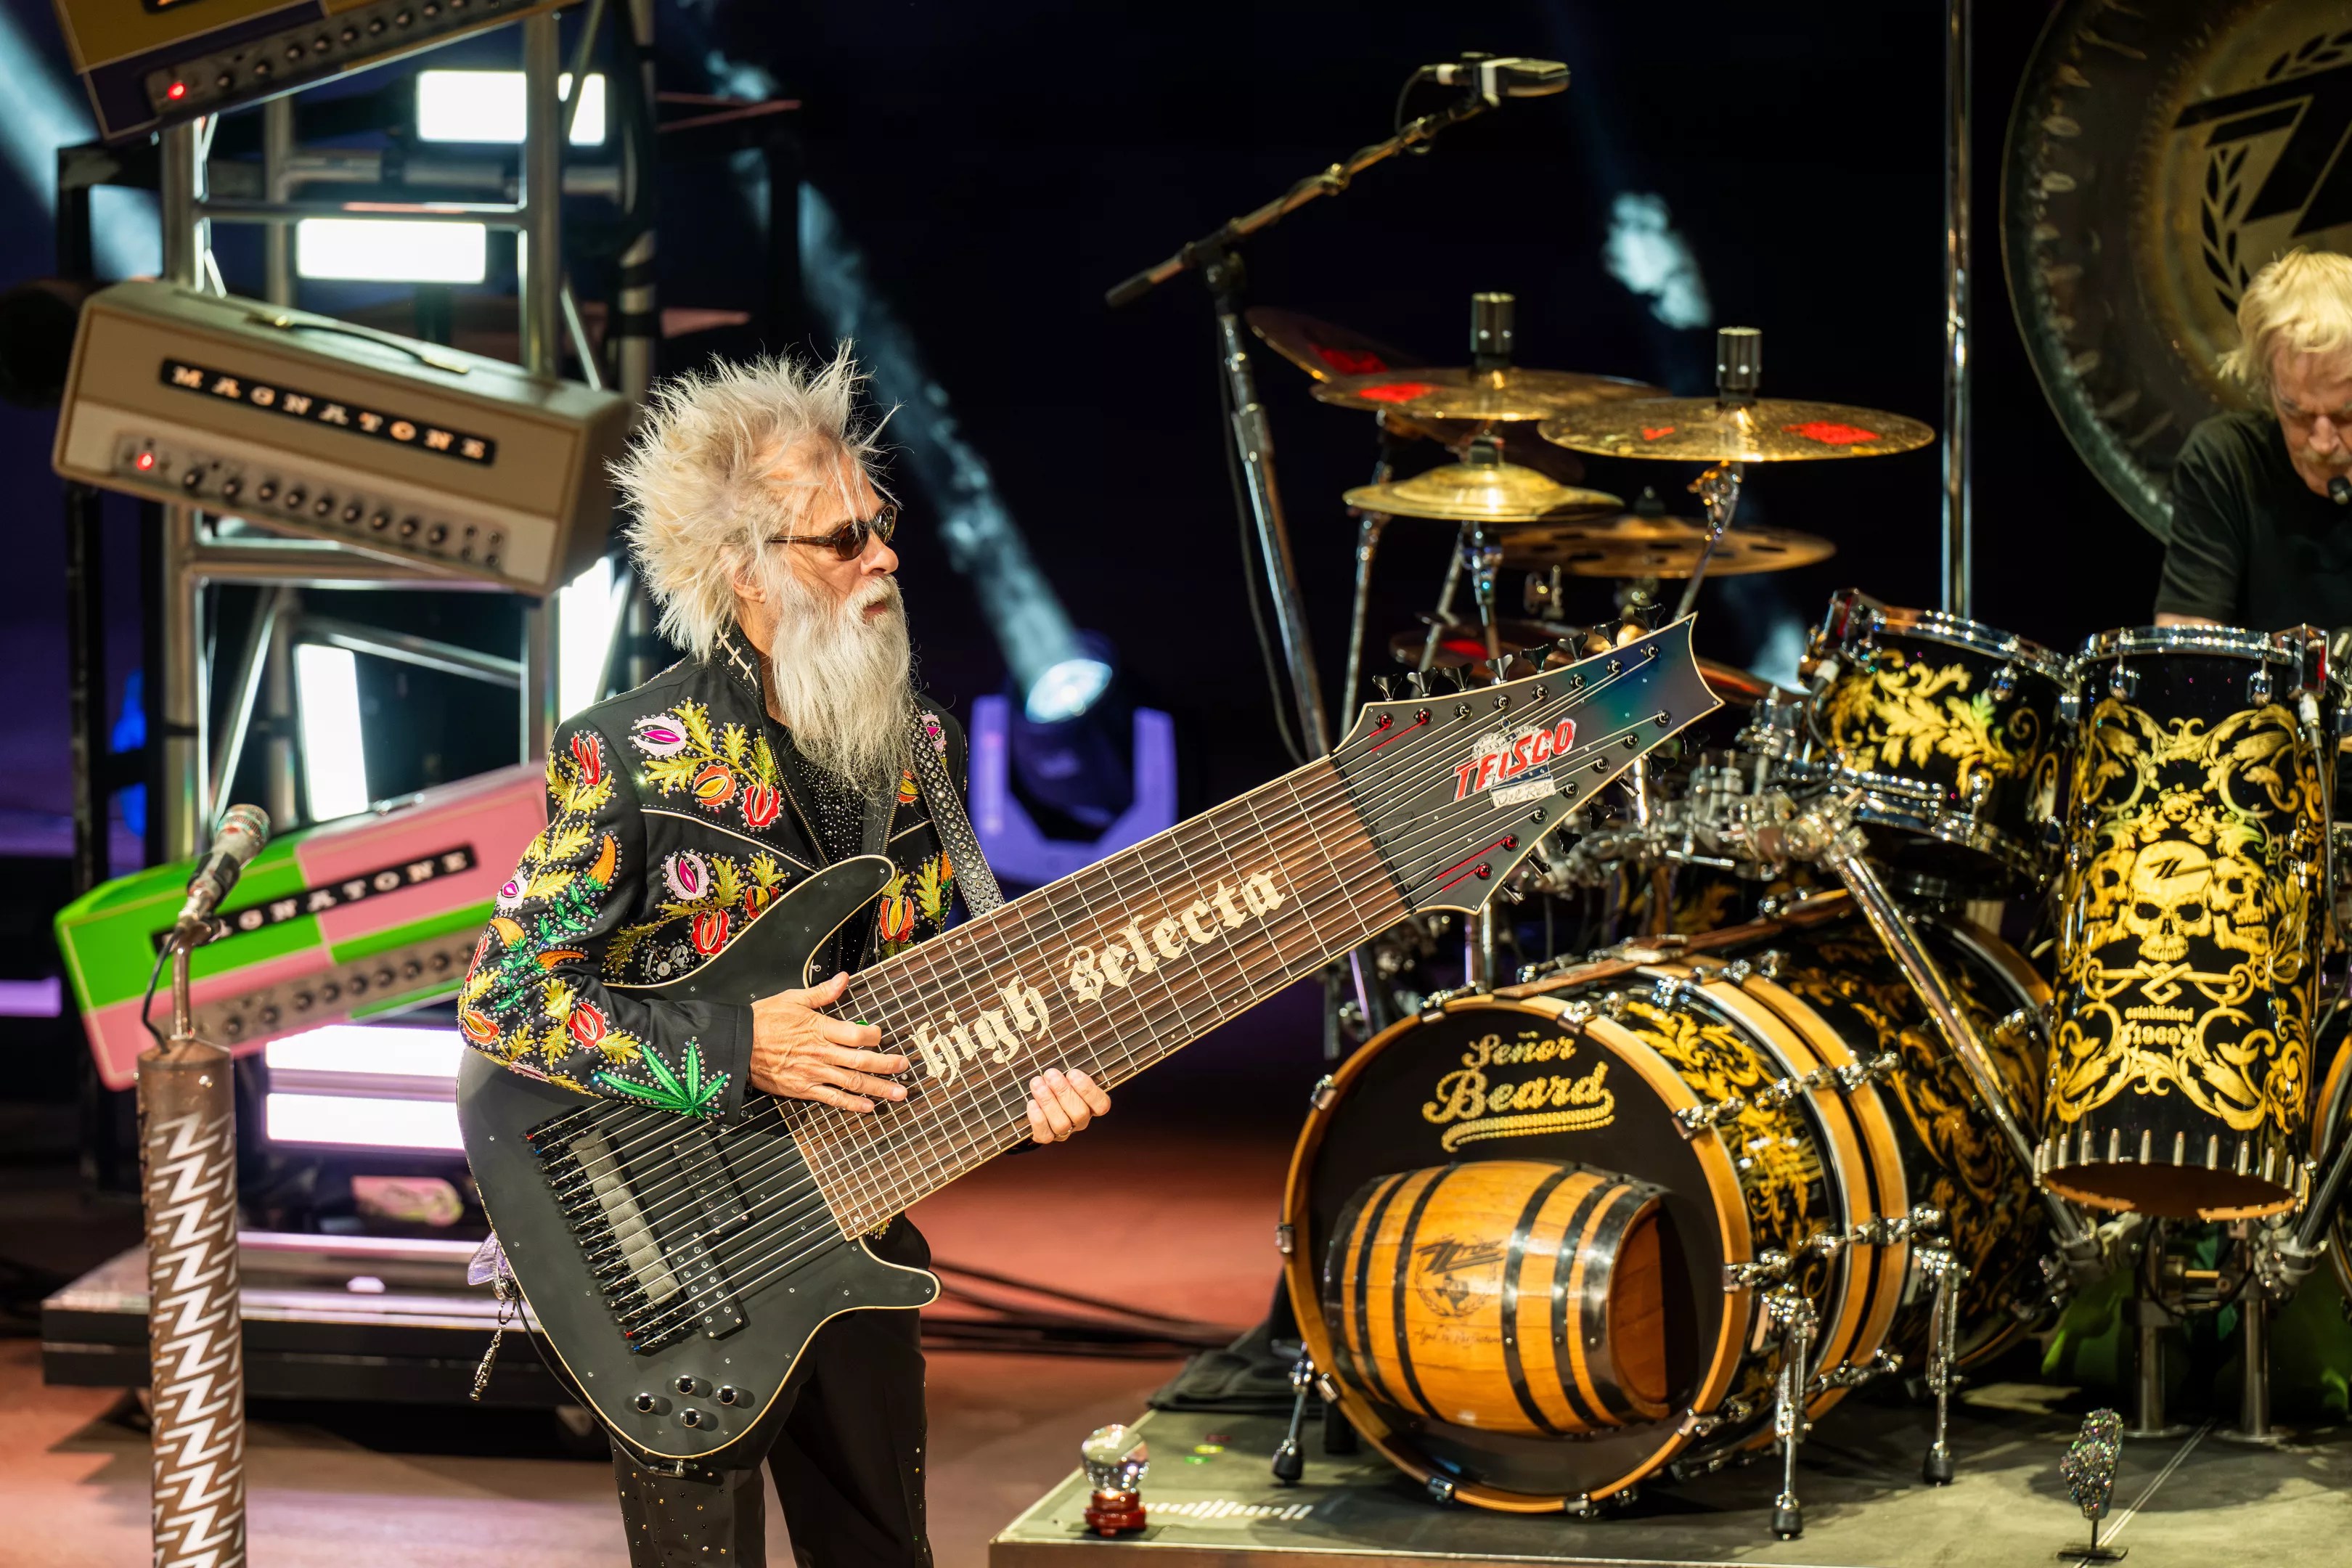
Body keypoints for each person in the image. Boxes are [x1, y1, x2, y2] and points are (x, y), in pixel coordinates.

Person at [457, 349, 1111, 1568]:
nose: (886, 558)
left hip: (857, 1222)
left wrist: (1024, 1092)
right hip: (672, 1249)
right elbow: (505, 999)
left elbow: (944, 995)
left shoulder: (921, 746)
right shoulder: (633, 755)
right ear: (743, 569)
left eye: (882, 524)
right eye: (844, 539)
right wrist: (737, 1046)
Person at [2155, 248, 2352, 632]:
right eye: (2296, 412)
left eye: (2346, 414)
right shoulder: (2226, 460)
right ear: (2268, 385)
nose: (2323, 443)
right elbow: (2186, 643)